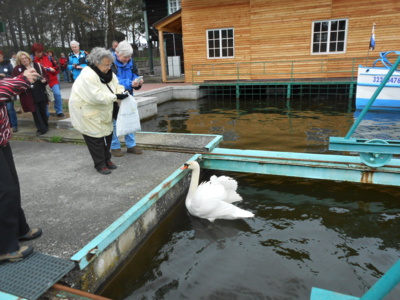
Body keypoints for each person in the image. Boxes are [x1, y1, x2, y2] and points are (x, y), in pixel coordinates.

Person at [0, 68, 43, 264]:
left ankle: (19, 229)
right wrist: (24, 79)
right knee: (5, 191)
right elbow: (5, 89)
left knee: (12, 187)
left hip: (2, 141)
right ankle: (5, 248)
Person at [69, 47, 126, 175]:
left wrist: (121, 92)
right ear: (96, 63)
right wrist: (115, 97)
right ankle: (100, 164)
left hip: (104, 109)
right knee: (95, 138)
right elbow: (96, 96)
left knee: (108, 134)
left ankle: (107, 159)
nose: (109, 67)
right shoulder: (87, 75)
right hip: (87, 111)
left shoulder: (109, 73)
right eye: (106, 65)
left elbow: (117, 85)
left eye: (110, 64)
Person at [110, 41, 144, 157]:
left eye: (130, 56)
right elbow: (114, 81)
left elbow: (135, 73)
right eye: (126, 56)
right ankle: (115, 146)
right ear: (118, 53)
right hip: (116, 97)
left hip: (129, 94)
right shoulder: (110, 63)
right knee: (114, 122)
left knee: (130, 118)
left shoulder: (130, 61)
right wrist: (131, 83)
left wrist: (137, 81)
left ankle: (131, 145)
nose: (128, 58)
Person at [12, 51, 49, 135]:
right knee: (35, 111)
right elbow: (16, 80)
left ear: (29, 58)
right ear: (19, 61)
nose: (25, 60)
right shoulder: (17, 69)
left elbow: (45, 75)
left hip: (40, 91)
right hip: (29, 94)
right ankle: (41, 129)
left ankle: (45, 126)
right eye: (22, 59)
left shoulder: (37, 65)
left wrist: (44, 80)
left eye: (26, 58)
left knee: (43, 110)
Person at [31, 43, 64, 118]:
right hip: (41, 82)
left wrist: (53, 70)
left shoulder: (48, 57)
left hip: (52, 80)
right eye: (37, 52)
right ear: (34, 52)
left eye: (40, 52)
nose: (39, 54)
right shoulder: (32, 60)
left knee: (57, 94)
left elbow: (57, 68)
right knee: (44, 98)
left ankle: (59, 111)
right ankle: (46, 113)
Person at [0, 50, 18, 132]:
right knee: (3, 109)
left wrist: (5, 75)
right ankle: (7, 125)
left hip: (8, 89)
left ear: (2, 56)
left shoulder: (7, 64)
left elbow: (13, 76)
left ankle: (14, 125)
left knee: (10, 108)